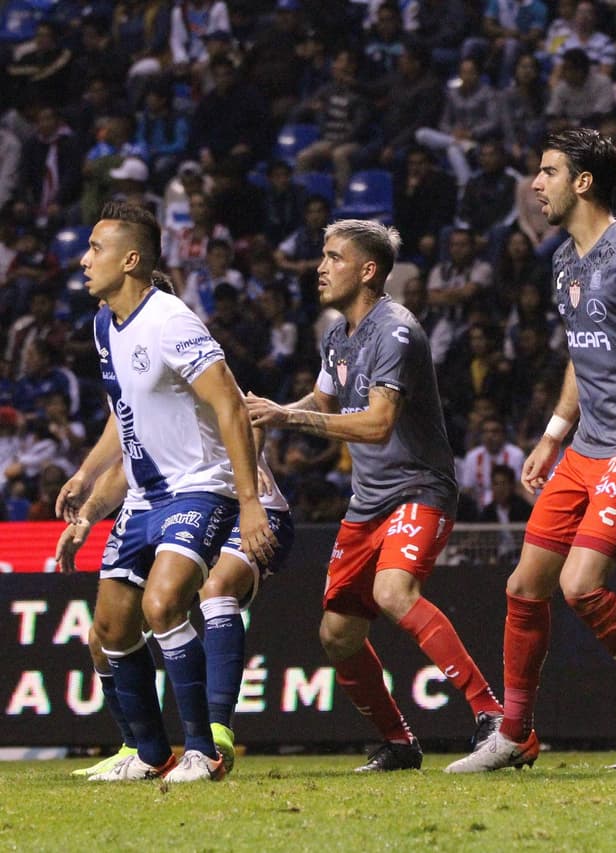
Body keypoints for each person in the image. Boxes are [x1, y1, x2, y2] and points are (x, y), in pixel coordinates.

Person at [445, 128, 616, 773]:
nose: (536, 184)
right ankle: (515, 731)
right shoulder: (563, 260)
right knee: (524, 586)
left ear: (583, 182)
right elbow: (583, 355)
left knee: (582, 587)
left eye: (548, 171)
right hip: (584, 449)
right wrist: (552, 437)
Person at [246, 219, 503, 773]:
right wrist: (272, 409)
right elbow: (325, 398)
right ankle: (400, 742)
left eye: (333, 258)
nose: (320, 267)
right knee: (337, 634)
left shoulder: (397, 332)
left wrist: (290, 417)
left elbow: (379, 423)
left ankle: (492, 716)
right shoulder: (337, 336)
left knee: (393, 591)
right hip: (368, 501)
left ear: (367, 271)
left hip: (419, 487)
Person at [55, 201, 276, 783]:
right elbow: (122, 414)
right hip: (146, 496)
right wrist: (85, 476)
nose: (83, 260)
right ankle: (151, 756)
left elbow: (229, 402)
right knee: (109, 630)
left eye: (95, 249)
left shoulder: (171, 320)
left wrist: (250, 503)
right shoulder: (105, 323)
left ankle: (204, 751)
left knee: (163, 604)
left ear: (130, 259)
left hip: (202, 486)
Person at [58, 439, 294, 779]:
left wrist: (249, 461)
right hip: (160, 507)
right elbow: (128, 459)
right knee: (104, 636)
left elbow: (242, 413)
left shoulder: (191, 383)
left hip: (234, 502)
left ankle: (213, 733)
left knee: (212, 588)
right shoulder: (128, 394)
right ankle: (137, 748)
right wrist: (86, 515)